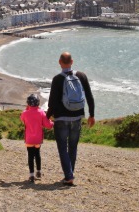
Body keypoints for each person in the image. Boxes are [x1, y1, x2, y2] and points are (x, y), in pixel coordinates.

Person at [46, 52, 95, 186]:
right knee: (73, 147)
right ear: (72, 61)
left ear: (60, 62)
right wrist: (92, 115)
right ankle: (70, 174)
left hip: (61, 118)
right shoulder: (81, 76)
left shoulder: (57, 79)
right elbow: (89, 97)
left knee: (62, 148)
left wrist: (46, 117)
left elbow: (52, 102)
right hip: (77, 117)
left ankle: (69, 176)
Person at [20, 94, 54, 183]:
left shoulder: (24, 113)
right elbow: (48, 125)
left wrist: (27, 109)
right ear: (38, 103)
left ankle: (31, 175)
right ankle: (38, 172)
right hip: (38, 139)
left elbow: (22, 119)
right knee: (37, 154)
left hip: (29, 139)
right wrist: (52, 123)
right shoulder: (41, 112)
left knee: (30, 156)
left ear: (28, 103)